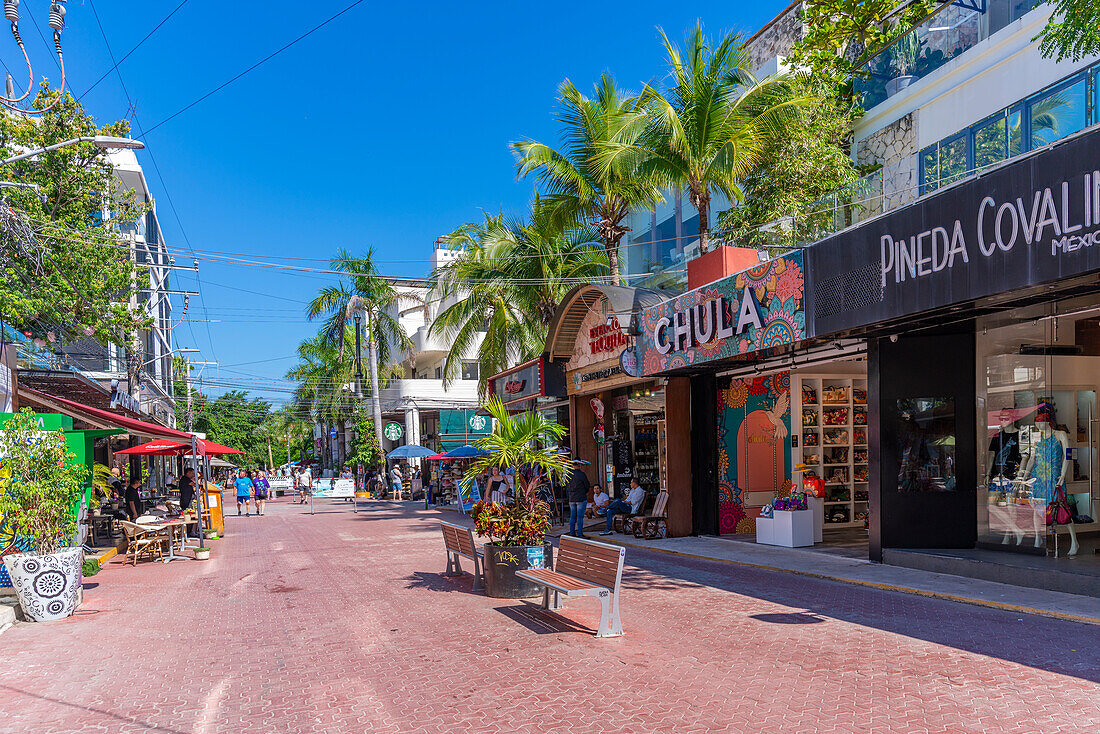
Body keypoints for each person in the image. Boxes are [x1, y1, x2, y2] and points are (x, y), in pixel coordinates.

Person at [564, 463, 591, 538]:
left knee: (572, 516)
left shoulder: (569, 474)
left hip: (571, 498)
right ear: (580, 465)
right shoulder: (582, 474)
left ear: (572, 466)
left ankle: (572, 533)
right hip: (580, 497)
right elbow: (587, 486)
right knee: (580, 517)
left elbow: (566, 485)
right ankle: (579, 534)